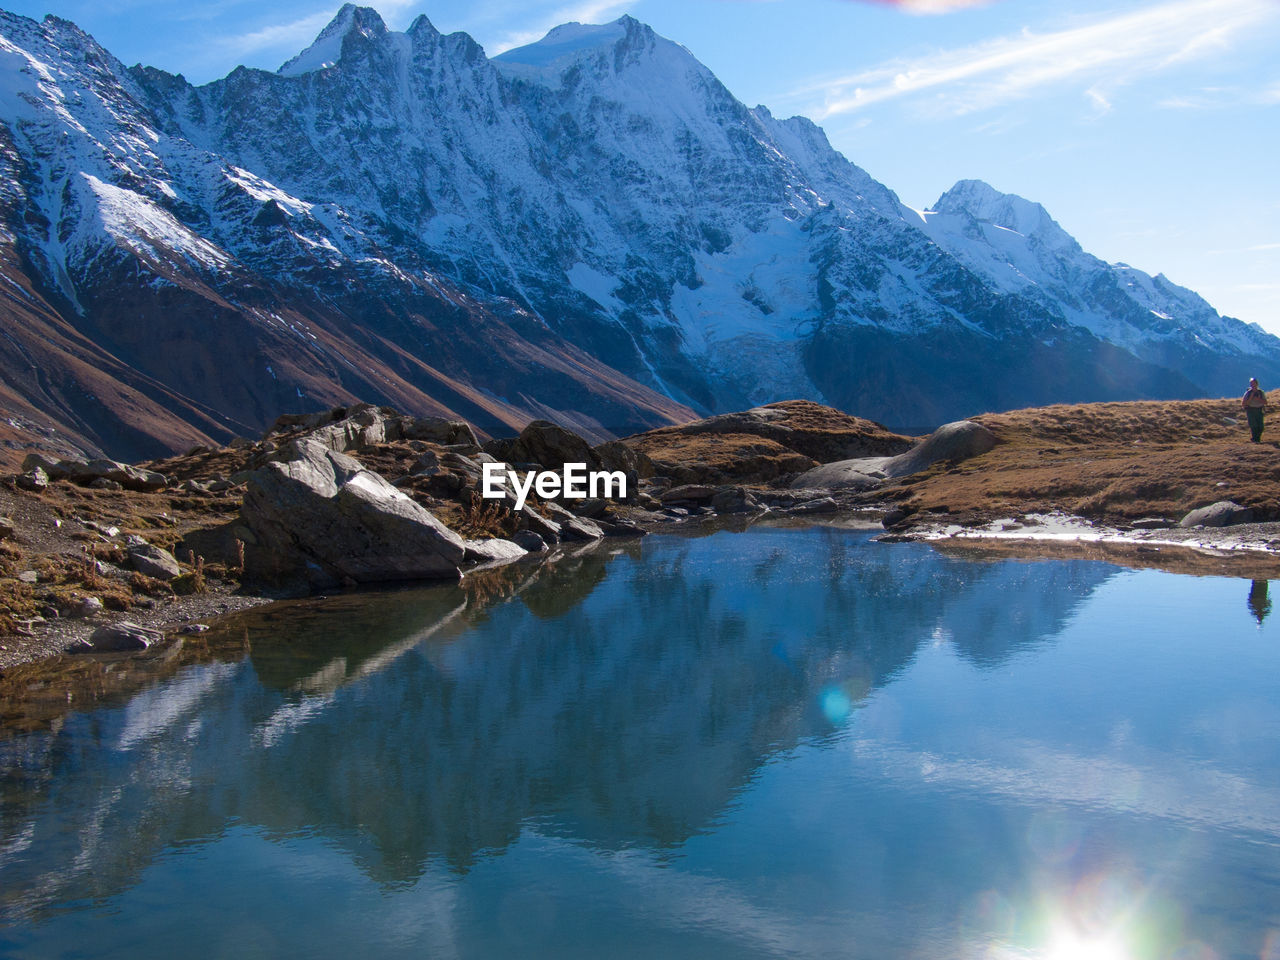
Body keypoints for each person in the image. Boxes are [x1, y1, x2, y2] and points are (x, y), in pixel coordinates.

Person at [1242, 378, 1268, 443]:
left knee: (1261, 427)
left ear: (1257, 384)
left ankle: (1256, 439)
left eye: (1254, 383)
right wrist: (1251, 397)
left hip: (1259, 410)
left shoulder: (1261, 392)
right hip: (1251, 410)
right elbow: (1244, 404)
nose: (1252, 385)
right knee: (1254, 426)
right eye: (1251, 383)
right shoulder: (1248, 393)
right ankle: (1255, 439)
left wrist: (1257, 399)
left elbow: (1265, 402)